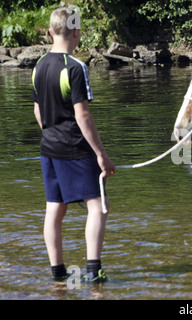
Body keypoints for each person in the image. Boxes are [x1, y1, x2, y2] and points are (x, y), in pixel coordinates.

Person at [32, 7, 115, 282]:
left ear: (52, 31)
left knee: (54, 208)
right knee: (98, 206)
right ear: (76, 32)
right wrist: (101, 154)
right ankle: (94, 270)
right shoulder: (75, 67)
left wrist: (51, 134)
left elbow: (37, 111)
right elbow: (83, 115)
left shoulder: (39, 65)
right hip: (75, 149)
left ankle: (58, 274)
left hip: (48, 149)